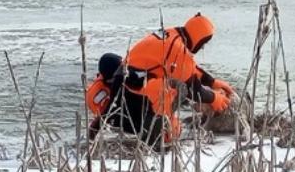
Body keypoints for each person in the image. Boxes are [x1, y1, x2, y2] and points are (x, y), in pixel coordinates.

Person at [88, 13, 232, 146]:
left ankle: (149, 129)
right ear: (198, 39)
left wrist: (212, 82)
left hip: (129, 83)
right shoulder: (178, 48)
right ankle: (152, 142)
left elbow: (189, 68)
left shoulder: (173, 34)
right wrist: (215, 99)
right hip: (137, 91)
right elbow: (193, 89)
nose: (203, 48)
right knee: (177, 93)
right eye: (203, 43)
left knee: (171, 116)